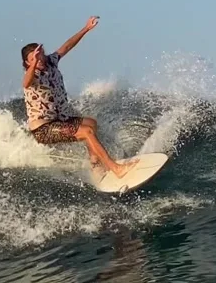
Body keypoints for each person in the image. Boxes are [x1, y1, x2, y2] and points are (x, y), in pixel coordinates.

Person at [21, 16, 136, 178]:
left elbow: (67, 46)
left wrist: (86, 28)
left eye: (40, 55)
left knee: (91, 123)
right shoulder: (32, 76)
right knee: (87, 132)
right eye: (33, 58)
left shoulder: (51, 62)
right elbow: (25, 83)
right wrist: (33, 65)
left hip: (59, 120)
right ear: (27, 63)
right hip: (43, 128)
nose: (39, 60)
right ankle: (115, 168)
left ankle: (96, 165)